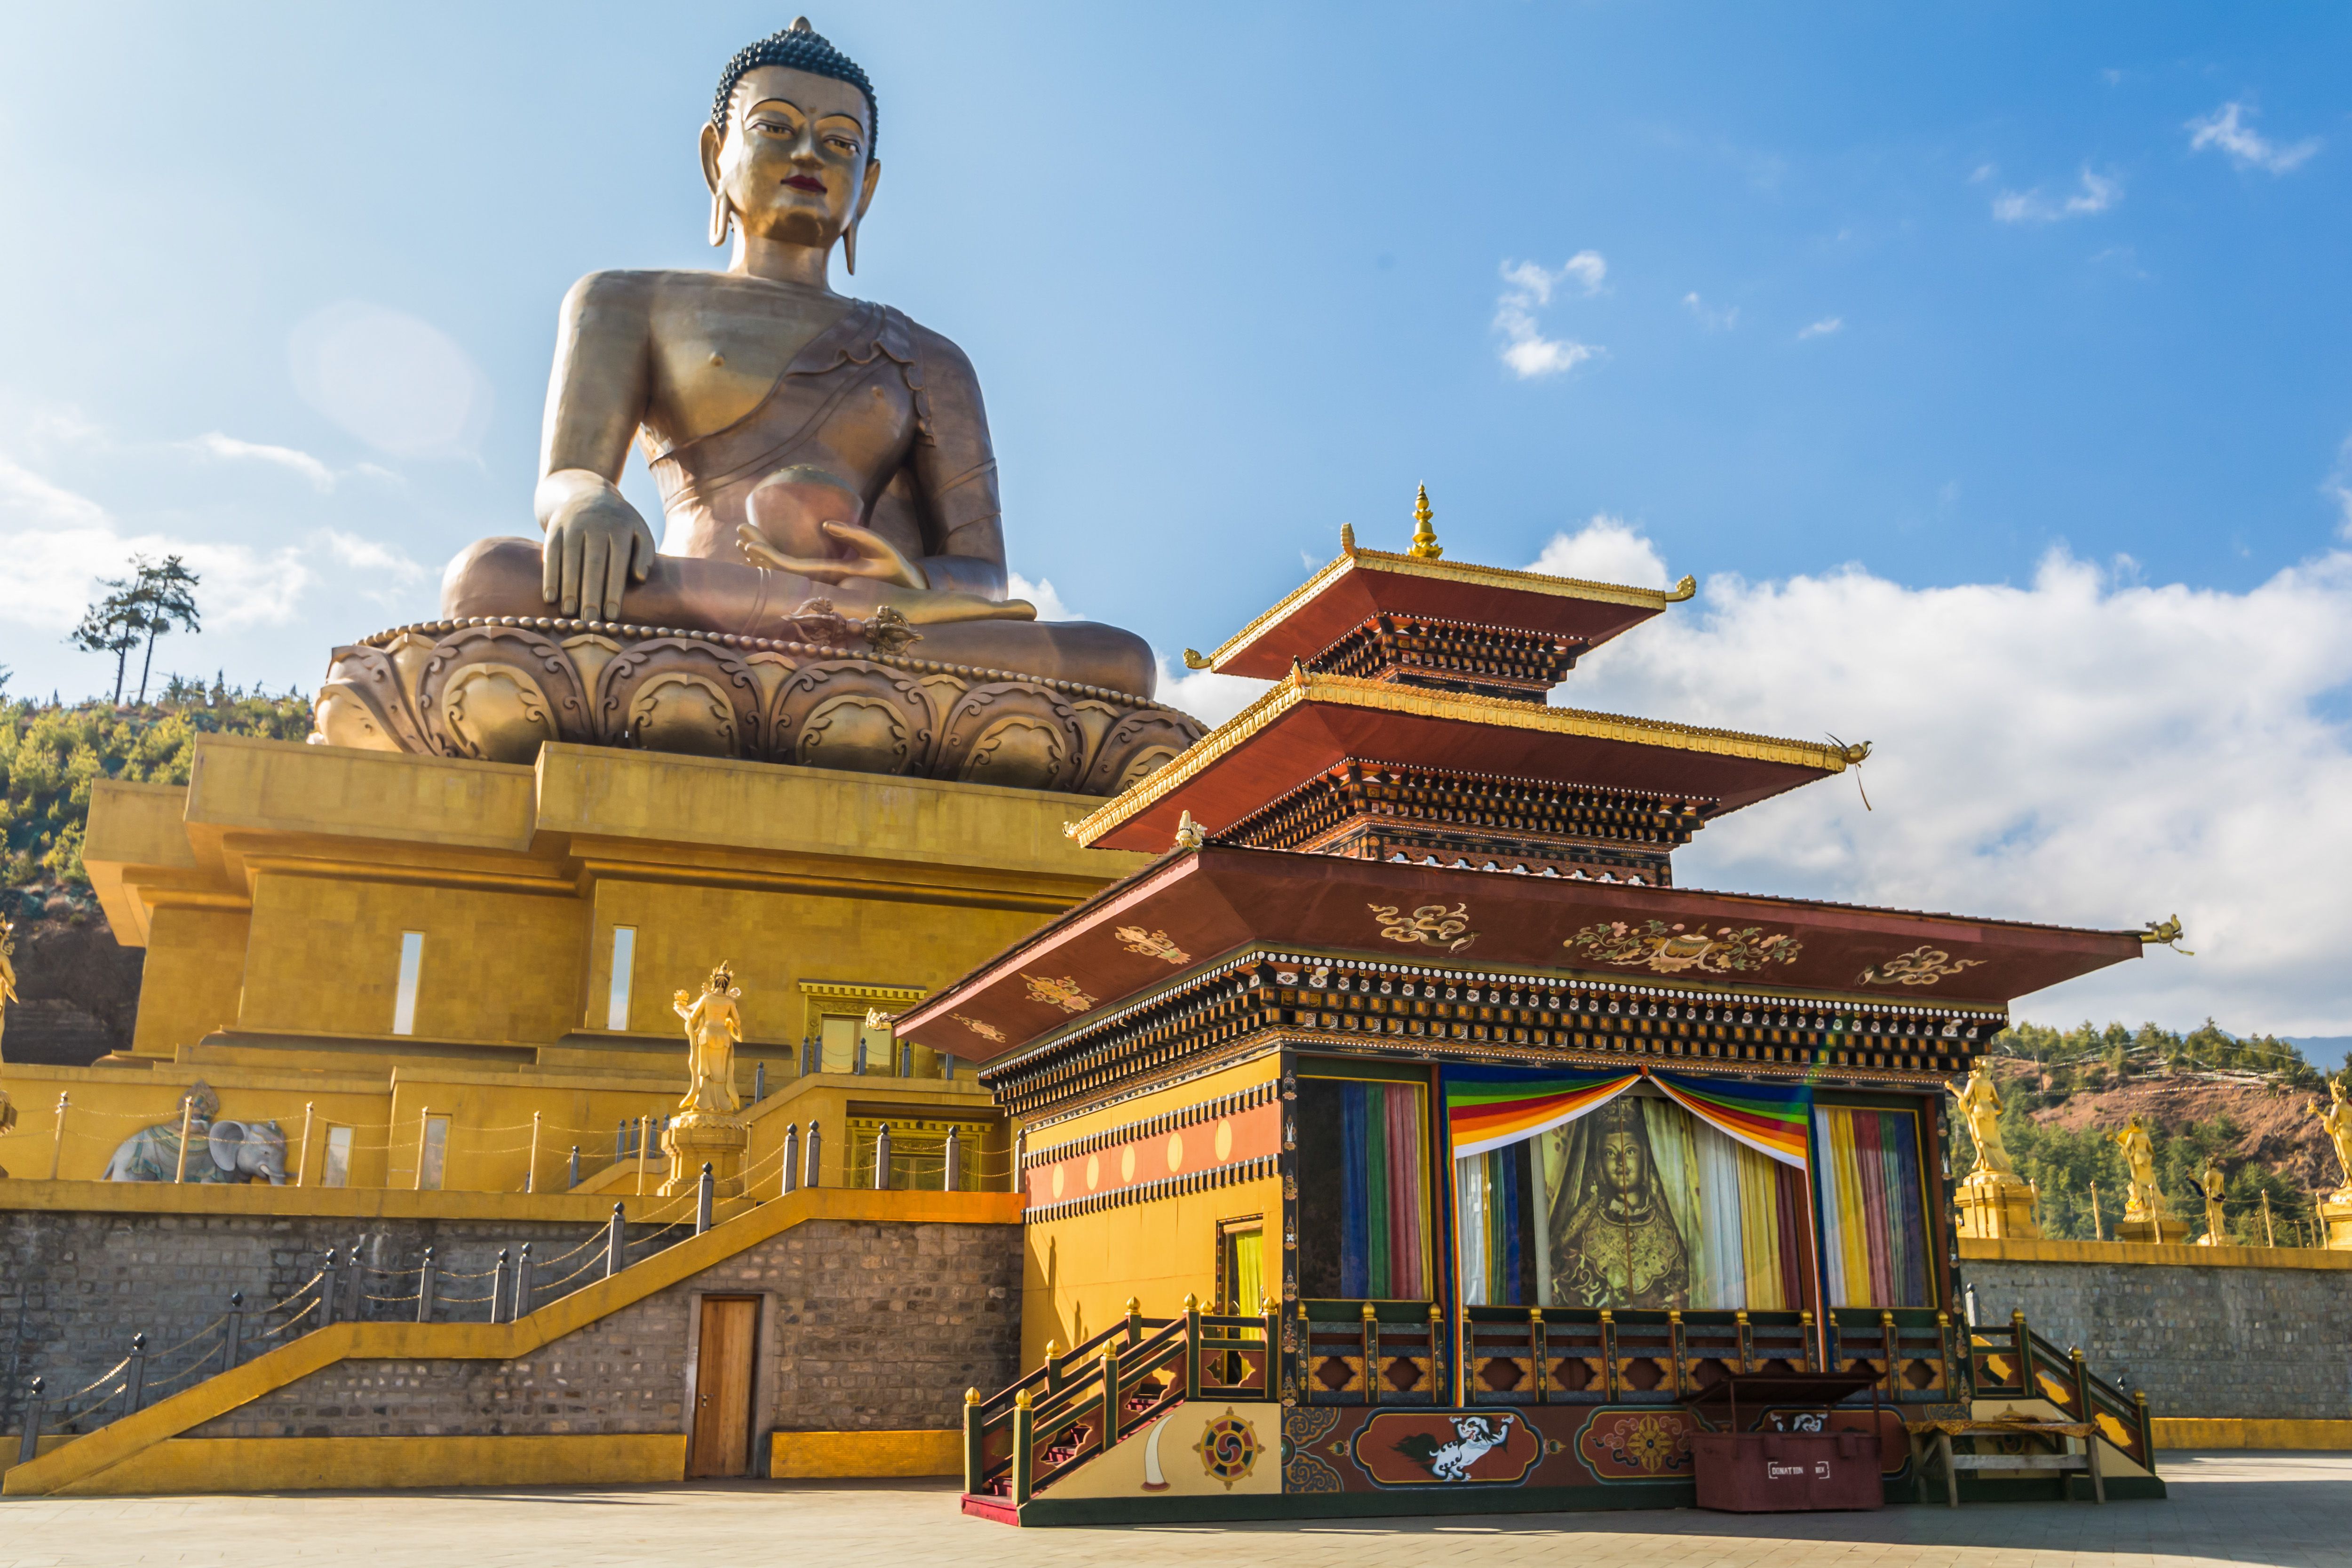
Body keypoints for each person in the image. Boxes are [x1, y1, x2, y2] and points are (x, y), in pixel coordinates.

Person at [439, 20, 1155, 697]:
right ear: (716, 155)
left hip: (874, 619)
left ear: (866, 186)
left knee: (1119, 660)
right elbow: (568, 475)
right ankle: (830, 655)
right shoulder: (625, 301)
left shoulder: (930, 358)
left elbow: (984, 576)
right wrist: (588, 500)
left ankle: (820, 646)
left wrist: (908, 579)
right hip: (692, 598)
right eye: (776, 127)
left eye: (840, 142)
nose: (810, 154)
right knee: (490, 578)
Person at [1543, 1099, 1690, 1309]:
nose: (1621, 1162)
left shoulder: (1675, 1233)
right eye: (1610, 1153)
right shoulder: (1578, 1240)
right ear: (1600, 1165)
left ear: (1645, 1159)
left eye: (1630, 1151)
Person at [672, 964, 744, 1119]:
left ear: (714, 982)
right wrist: (728, 1019)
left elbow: (694, 1018)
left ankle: (705, 1102)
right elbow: (737, 1022)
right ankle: (723, 1103)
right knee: (720, 1071)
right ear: (727, 984)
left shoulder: (706, 999)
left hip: (707, 1035)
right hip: (723, 1037)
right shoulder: (729, 1002)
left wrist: (683, 1011)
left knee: (705, 1070)